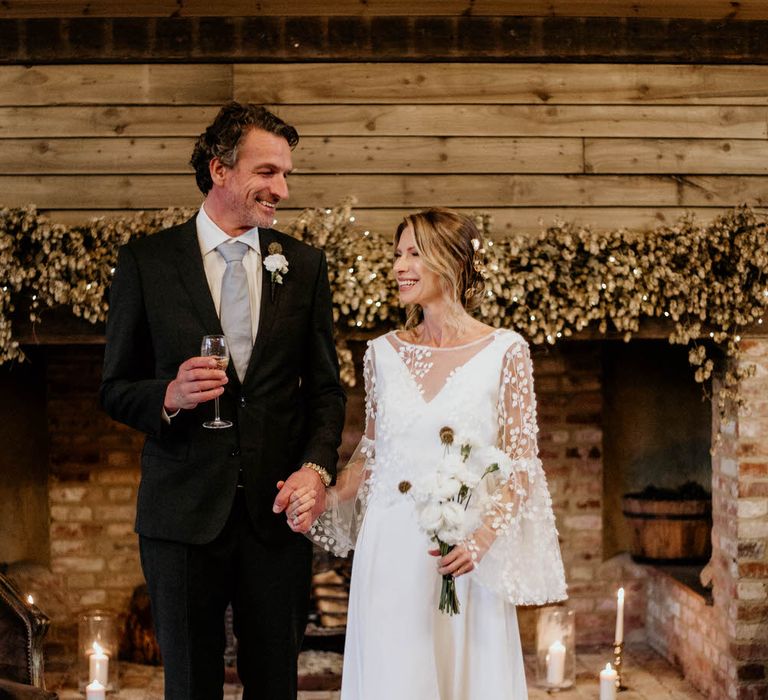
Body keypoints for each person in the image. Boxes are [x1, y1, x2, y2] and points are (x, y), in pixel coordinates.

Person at [100, 102, 346, 700]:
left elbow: (326, 390)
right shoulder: (147, 264)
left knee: (274, 687)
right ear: (220, 169)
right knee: (189, 687)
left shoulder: (305, 266)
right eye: (267, 172)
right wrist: (170, 394)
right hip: (181, 519)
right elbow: (113, 387)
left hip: (275, 520)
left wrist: (315, 470)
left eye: (285, 174)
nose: (281, 189)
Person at [303, 208, 567, 699]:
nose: (399, 266)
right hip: (389, 548)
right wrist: (329, 491)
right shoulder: (381, 353)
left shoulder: (506, 351)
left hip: (464, 554)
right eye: (398, 254)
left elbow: (523, 463)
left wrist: (482, 540)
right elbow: (372, 452)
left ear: (452, 262)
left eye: (414, 254)